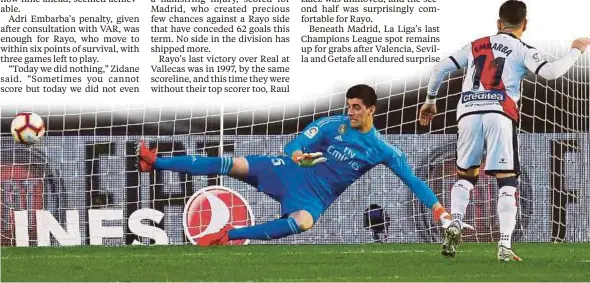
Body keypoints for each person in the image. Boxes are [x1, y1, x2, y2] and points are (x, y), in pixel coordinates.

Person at [137, 84, 454, 250]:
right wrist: (298, 154)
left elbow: (414, 182)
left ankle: (229, 234)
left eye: (357, 107)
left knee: (303, 222)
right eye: (349, 106)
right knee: (230, 164)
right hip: (289, 171)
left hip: (314, 196)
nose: (351, 112)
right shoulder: (334, 125)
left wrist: (439, 210)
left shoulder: (384, 150)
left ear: (371, 110)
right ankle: (155, 161)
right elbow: (295, 144)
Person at [419, 0, 589, 262]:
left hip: (467, 112)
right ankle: (505, 245)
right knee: (506, 180)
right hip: (499, 113)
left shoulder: (476, 45)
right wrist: (576, 51)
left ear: (498, 23)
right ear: (525, 24)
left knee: (466, 175)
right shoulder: (522, 48)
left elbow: (440, 67)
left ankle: (455, 222)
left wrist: (430, 101)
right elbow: (552, 73)